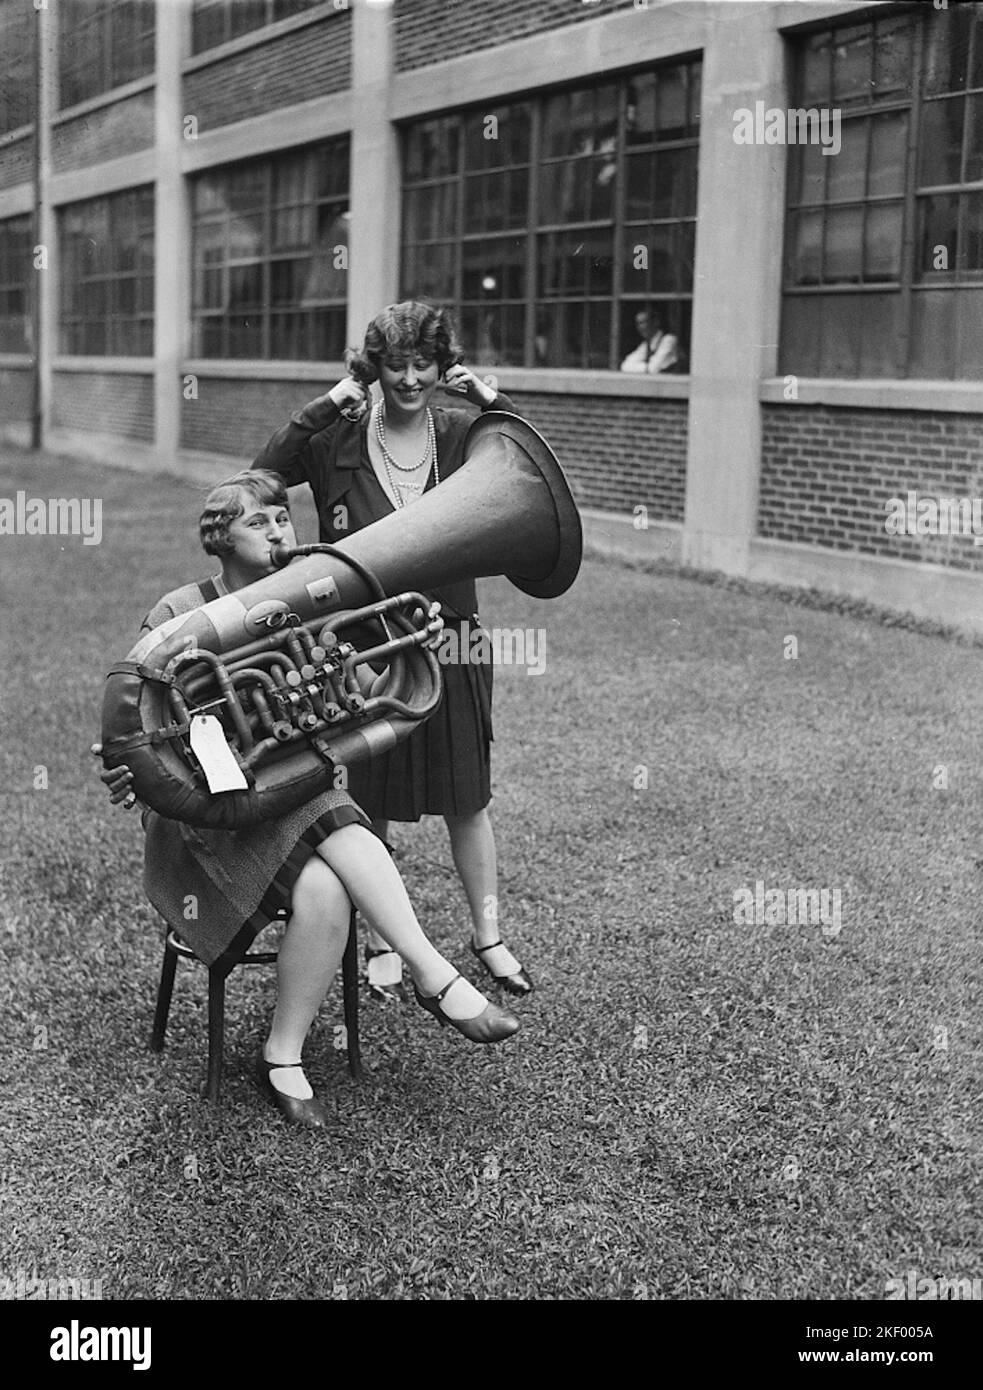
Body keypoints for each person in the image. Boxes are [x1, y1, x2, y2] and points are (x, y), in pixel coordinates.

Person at [92, 470, 519, 1131]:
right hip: (203, 827)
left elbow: (366, 685)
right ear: (218, 539)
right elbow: (132, 727)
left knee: (326, 881)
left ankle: (281, 1057)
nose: (276, 529)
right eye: (255, 521)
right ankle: (436, 977)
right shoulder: (178, 614)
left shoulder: (311, 600)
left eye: (282, 517)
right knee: (328, 810)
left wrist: (415, 646)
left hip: (285, 799)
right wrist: (126, 772)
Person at [253, 301, 534, 1002]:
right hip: (366, 645)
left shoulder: (466, 430)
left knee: (467, 798)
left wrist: (495, 400)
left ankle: (488, 937)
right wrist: (324, 406)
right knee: (369, 794)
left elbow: (531, 466)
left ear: (444, 365)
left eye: (423, 364)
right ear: (372, 366)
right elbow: (262, 475)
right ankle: (381, 941)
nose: (409, 379)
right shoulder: (337, 437)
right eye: (394, 364)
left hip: (455, 635)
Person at [620, 309, 683, 374]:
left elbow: (653, 369)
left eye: (644, 322)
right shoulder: (647, 343)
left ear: (656, 322)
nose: (641, 327)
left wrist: (641, 366)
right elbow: (624, 366)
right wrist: (647, 367)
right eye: (638, 323)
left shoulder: (669, 340)